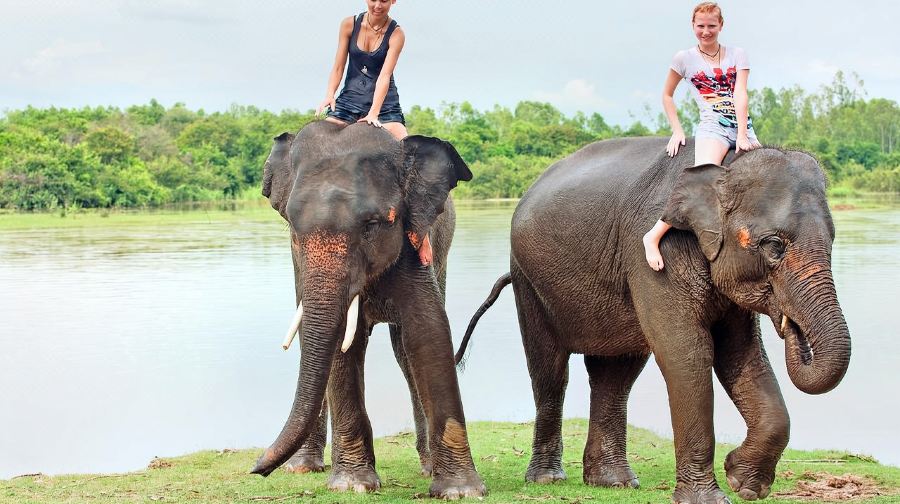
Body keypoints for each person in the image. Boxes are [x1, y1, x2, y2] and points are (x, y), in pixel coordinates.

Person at [642, 1, 761, 271]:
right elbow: (667, 95)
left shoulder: (737, 54)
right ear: (693, 26)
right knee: (702, 180)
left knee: (763, 179)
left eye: (711, 26)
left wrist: (743, 134)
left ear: (721, 26)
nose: (706, 31)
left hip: (743, 125)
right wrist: (677, 130)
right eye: (700, 26)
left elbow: (740, 94)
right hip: (712, 127)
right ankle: (653, 235)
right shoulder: (684, 59)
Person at [316, 0, 433, 266]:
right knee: (319, 144)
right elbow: (338, 66)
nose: (378, 5)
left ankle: (420, 230)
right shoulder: (349, 24)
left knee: (407, 154)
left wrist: (373, 114)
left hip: (385, 105)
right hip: (348, 102)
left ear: (393, 1)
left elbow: (384, 75)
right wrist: (329, 95)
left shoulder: (397, 33)